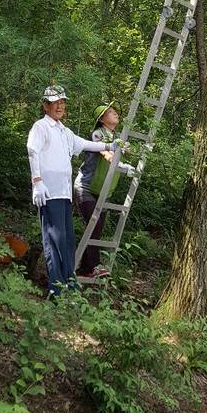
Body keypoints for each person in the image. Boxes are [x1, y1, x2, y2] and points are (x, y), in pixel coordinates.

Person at [27, 84, 120, 297]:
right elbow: (33, 151)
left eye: (62, 102)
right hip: (48, 192)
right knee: (54, 240)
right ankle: (56, 290)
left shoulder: (64, 131)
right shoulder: (41, 127)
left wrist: (109, 146)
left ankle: (69, 284)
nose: (59, 106)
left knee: (67, 240)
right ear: (46, 106)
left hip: (64, 192)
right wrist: (37, 182)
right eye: (55, 103)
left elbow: (86, 144)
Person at [74, 102, 136, 280]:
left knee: (96, 229)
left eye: (115, 111)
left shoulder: (116, 136)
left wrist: (128, 151)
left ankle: (86, 267)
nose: (115, 114)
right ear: (102, 119)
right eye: (111, 112)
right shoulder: (97, 134)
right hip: (86, 187)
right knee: (94, 224)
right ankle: (90, 266)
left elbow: (128, 151)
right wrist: (122, 165)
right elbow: (107, 155)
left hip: (103, 191)